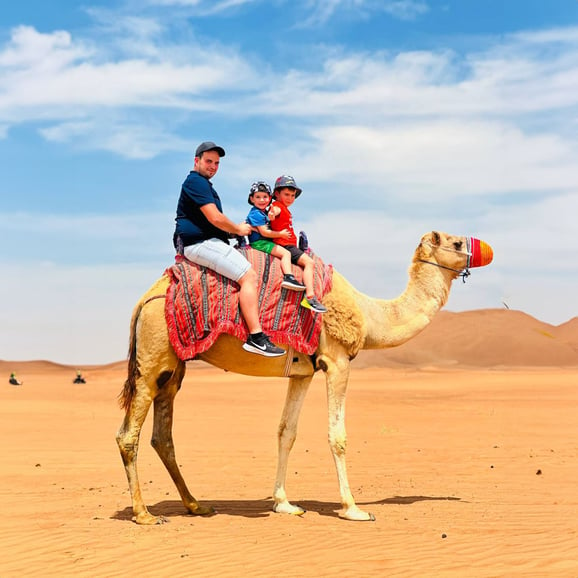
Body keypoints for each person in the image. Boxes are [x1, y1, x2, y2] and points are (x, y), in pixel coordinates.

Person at [173, 141, 285, 357]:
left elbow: (211, 222)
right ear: (197, 161)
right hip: (199, 244)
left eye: (216, 163)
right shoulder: (196, 182)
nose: (213, 166)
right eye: (208, 161)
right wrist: (238, 229)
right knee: (248, 276)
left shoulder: (204, 184)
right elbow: (215, 218)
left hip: (206, 241)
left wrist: (233, 232)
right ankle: (256, 337)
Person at [269, 175, 327, 313]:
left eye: (292, 195)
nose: (290, 198)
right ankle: (310, 297)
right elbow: (274, 211)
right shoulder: (277, 206)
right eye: (286, 194)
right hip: (285, 245)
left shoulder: (285, 208)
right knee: (310, 263)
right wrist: (272, 213)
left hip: (288, 244)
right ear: (277, 194)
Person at [246, 181, 306, 292]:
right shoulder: (256, 213)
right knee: (286, 253)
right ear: (252, 199)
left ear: (270, 198)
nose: (262, 200)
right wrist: (280, 234)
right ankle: (289, 276)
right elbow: (264, 232)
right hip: (261, 242)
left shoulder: (263, 212)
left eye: (265, 197)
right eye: (258, 197)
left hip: (266, 240)